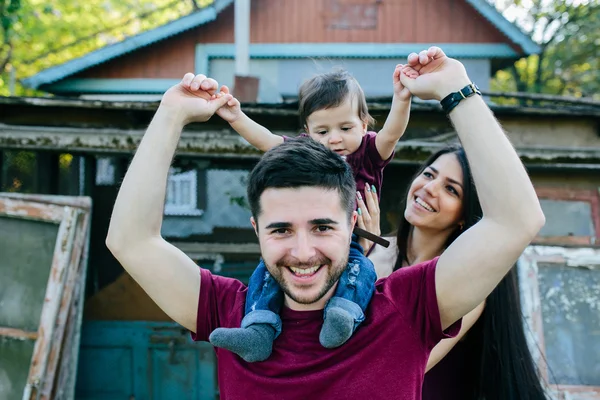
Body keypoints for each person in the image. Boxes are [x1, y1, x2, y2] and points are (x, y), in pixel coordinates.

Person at [105, 46, 545, 399]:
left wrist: (456, 89)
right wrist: (170, 114)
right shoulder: (232, 313)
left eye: (322, 227)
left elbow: (514, 221)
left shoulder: (405, 310)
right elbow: (131, 240)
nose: (301, 252)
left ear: (352, 222)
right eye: (280, 229)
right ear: (256, 230)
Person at [207, 66, 412, 361]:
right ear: (307, 132)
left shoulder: (369, 151)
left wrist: (402, 98)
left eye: (345, 128)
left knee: (359, 271)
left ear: (364, 124)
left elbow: (392, 132)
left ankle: (343, 315)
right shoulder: (307, 152)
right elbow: (266, 140)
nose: (334, 139)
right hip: (305, 234)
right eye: (322, 131)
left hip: (353, 237)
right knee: (265, 273)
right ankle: (258, 330)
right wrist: (237, 117)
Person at [364, 146, 549, 399]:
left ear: (465, 216)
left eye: (451, 189)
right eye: (429, 175)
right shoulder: (366, 249)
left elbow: (398, 366)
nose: (429, 188)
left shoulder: (463, 286)